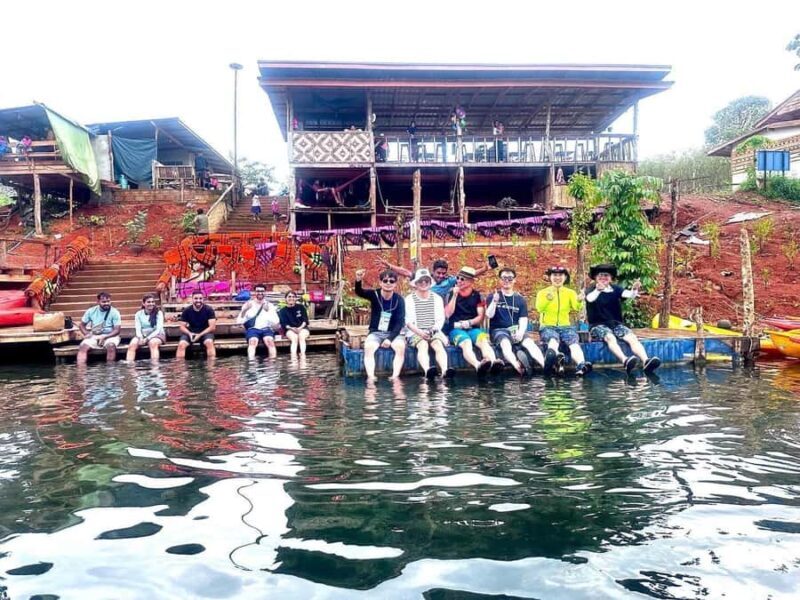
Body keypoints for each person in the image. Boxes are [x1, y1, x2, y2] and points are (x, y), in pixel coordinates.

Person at [584, 264, 661, 375]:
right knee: (609, 337)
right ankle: (625, 360)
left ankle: (646, 360)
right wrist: (598, 290)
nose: (603, 278)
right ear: (595, 278)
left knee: (631, 337)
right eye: (600, 275)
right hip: (597, 325)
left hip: (615, 324)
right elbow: (589, 299)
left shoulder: (615, 289)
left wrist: (634, 289)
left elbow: (630, 295)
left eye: (606, 275)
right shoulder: (591, 289)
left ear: (611, 278)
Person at [486, 267, 546, 376]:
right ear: (500, 280)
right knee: (505, 344)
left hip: (516, 330)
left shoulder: (520, 299)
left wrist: (520, 332)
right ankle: (517, 366)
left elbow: (523, 319)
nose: (507, 281)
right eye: (504, 278)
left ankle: (545, 366)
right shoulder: (493, 296)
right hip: (499, 330)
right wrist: (494, 302)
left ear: (514, 280)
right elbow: (489, 315)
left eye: (510, 278)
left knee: (529, 343)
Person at [444, 266, 502, 377]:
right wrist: (455, 295)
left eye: (463, 279)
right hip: (455, 328)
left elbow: (480, 316)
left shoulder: (477, 296)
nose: (459, 281)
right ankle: (477, 365)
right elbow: (448, 314)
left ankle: (493, 362)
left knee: (483, 341)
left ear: (471, 281)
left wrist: (469, 323)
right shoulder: (451, 293)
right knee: (466, 343)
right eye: (458, 278)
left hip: (472, 328)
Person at [536, 266, 592, 376]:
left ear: (565, 277)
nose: (557, 278)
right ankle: (555, 356)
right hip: (548, 325)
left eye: (560, 275)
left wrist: (580, 300)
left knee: (574, 343)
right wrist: (548, 299)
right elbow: (539, 308)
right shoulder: (543, 293)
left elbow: (576, 307)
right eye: (554, 275)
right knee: (552, 340)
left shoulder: (570, 292)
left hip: (565, 326)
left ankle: (581, 365)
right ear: (550, 277)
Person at [355, 267, 406, 381]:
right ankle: (371, 377)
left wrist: (390, 338)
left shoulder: (399, 300)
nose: (388, 283)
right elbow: (360, 292)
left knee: (400, 347)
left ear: (395, 284)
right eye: (385, 281)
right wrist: (358, 280)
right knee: (368, 348)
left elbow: (399, 322)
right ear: (380, 282)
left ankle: (395, 376)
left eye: (391, 281)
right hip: (376, 332)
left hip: (393, 333)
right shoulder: (375, 295)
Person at [405, 268, 453, 379]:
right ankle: (427, 370)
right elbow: (408, 322)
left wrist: (433, 330)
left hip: (433, 331)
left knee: (438, 344)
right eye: (420, 281)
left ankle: (445, 370)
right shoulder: (409, 299)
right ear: (415, 283)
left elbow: (440, 319)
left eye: (426, 281)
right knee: (422, 345)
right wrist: (420, 332)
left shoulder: (436, 299)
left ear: (430, 283)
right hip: (415, 332)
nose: (423, 283)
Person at [379, 257, 493, 300]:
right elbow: (406, 272)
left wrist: (485, 269)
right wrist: (389, 266)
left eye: (443, 273)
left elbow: (468, 275)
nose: (441, 276)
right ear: (433, 271)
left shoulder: (449, 281)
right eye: (438, 273)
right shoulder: (424, 278)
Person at [236, 283, 280, 359]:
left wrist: (268, 311)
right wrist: (244, 310)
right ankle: (251, 363)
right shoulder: (248, 304)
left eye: (262, 291)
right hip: (253, 329)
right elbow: (239, 321)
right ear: (255, 292)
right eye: (258, 291)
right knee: (253, 342)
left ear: (265, 292)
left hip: (266, 329)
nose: (260, 293)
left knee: (270, 342)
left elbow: (276, 322)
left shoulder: (269, 305)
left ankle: (272, 364)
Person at [77, 291, 122, 364]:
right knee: (83, 346)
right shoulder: (91, 311)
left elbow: (117, 330)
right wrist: (86, 333)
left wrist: (105, 337)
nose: (107, 304)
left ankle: (110, 371)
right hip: (94, 335)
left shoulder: (115, 312)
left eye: (108, 301)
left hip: (110, 335)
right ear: (98, 302)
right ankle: (81, 371)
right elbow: (81, 325)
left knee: (111, 346)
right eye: (104, 302)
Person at [177, 291, 217, 359]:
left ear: (203, 299)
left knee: (209, 342)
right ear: (192, 299)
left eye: (200, 298)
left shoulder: (209, 310)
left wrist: (199, 335)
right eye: (196, 298)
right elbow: (181, 327)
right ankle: (180, 367)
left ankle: (211, 367)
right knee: (181, 344)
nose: (198, 300)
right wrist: (190, 334)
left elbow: (212, 327)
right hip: (191, 332)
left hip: (205, 332)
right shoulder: (187, 310)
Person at [126, 293, 166, 361]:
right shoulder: (138, 314)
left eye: (153, 302)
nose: (151, 304)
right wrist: (141, 338)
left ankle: (154, 366)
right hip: (143, 335)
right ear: (143, 303)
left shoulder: (159, 313)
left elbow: (158, 329)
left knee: (153, 343)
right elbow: (138, 329)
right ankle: (130, 366)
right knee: (132, 344)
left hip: (157, 334)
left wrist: (147, 339)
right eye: (148, 302)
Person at [279, 290, 311, 357]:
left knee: (301, 336)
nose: (291, 298)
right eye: (289, 296)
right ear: (286, 298)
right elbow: (284, 323)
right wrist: (292, 328)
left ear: (295, 298)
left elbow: (305, 320)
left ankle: (303, 356)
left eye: (293, 297)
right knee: (294, 338)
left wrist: (300, 328)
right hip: (289, 329)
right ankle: (293, 358)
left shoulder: (301, 307)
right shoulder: (282, 311)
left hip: (302, 328)